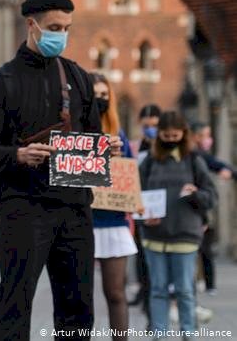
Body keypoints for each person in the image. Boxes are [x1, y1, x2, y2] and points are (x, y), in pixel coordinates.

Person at [0, 0, 123, 340]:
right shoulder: (0, 82)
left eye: (67, 28)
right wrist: (16, 155)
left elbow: (92, 137)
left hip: (74, 209)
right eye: (54, 28)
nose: (62, 35)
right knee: (15, 304)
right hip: (23, 208)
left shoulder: (79, 78)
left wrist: (105, 149)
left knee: (78, 310)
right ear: (32, 25)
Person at [139, 111, 217, 337]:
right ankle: (159, 334)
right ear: (159, 135)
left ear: (184, 135)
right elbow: (135, 193)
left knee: (184, 290)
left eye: (175, 135)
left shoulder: (194, 160)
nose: (170, 139)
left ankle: (188, 334)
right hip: (154, 236)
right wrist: (142, 214)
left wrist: (196, 194)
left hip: (185, 235)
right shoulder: (150, 161)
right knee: (158, 290)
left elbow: (211, 196)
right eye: (166, 135)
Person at [90, 73, 137, 341]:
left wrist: (118, 155)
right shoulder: (73, 133)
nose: (100, 100)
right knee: (78, 295)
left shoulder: (119, 135)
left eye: (105, 95)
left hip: (113, 219)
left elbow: (129, 178)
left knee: (116, 292)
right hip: (82, 220)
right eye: (96, 95)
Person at [190, 121, 236, 296]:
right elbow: (217, 165)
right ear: (196, 136)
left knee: (204, 247)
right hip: (193, 208)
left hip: (201, 206)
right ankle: (202, 283)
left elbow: (218, 166)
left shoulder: (201, 155)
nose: (208, 139)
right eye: (205, 135)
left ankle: (207, 283)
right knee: (200, 247)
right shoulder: (196, 155)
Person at [129, 104, 161, 315]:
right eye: (146, 125)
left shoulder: (163, 148)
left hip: (159, 210)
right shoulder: (135, 148)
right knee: (140, 255)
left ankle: (154, 297)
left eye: (154, 125)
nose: (150, 129)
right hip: (139, 208)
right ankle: (143, 290)